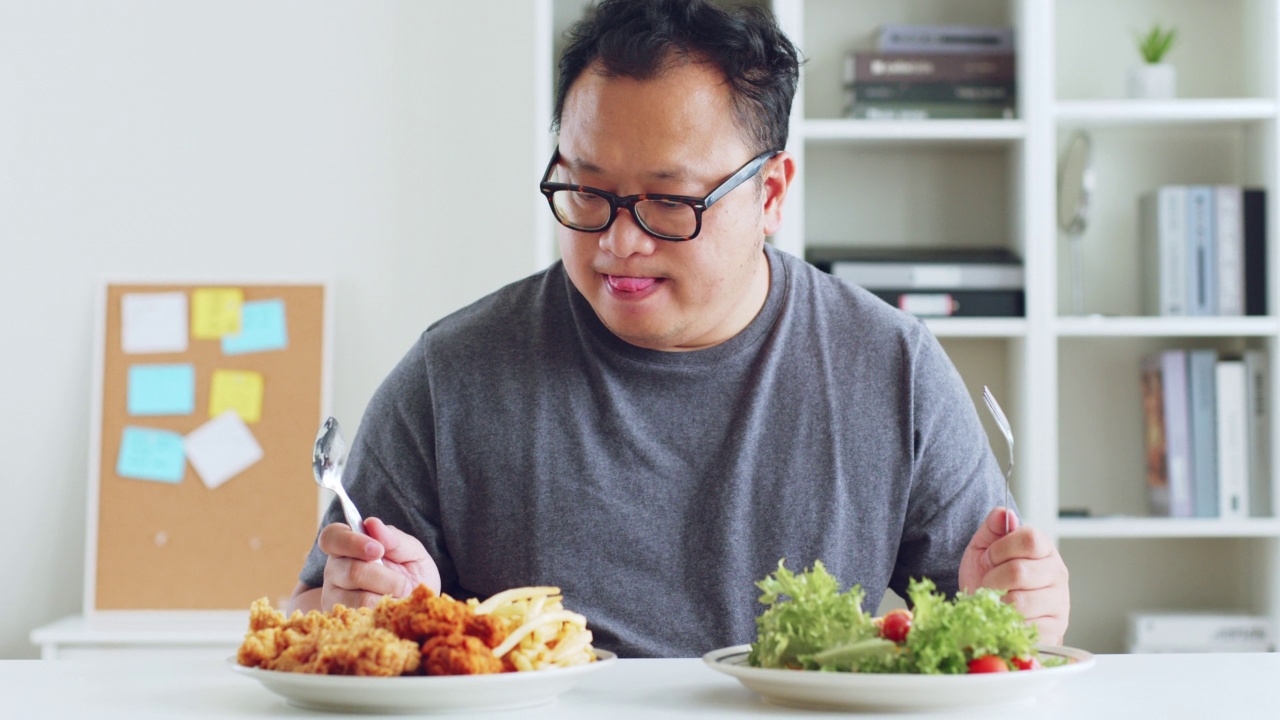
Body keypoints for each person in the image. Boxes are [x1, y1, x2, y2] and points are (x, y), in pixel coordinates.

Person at [289, 0, 1070, 658]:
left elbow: (990, 637)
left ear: (771, 193)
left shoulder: (891, 370)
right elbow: (308, 624)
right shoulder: (451, 376)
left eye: (669, 202)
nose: (617, 243)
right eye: (585, 191)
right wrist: (378, 611)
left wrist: (1027, 609)